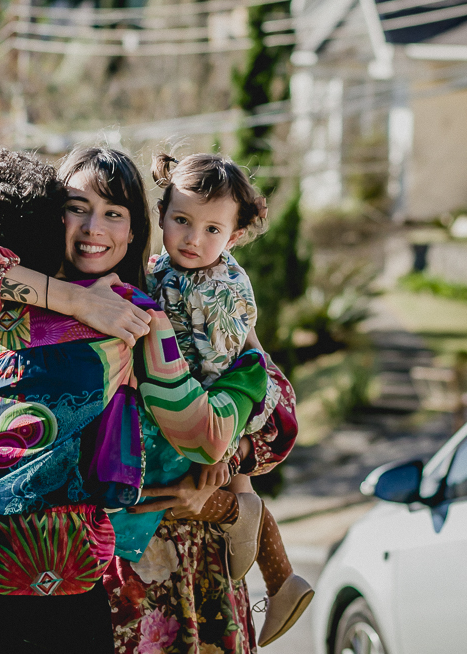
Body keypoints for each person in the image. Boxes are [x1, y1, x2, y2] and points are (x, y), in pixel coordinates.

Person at [0, 147, 268, 653]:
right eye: (76, 207)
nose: (93, 227)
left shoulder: (139, 318)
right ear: (52, 214)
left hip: (59, 576)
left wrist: (249, 369)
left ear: (135, 231)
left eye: (113, 213)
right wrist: (79, 300)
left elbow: (203, 435)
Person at [106, 151, 310, 648]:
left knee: (231, 488)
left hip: (209, 417)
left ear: (234, 235)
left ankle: (258, 537)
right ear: (160, 217)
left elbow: (232, 370)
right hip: (175, 449)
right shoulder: (154, 273)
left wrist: (228, 447)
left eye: (212, 230)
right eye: (181, 222)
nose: (194, 239)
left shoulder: (218, 290)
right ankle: (273, 567)